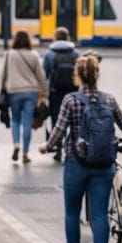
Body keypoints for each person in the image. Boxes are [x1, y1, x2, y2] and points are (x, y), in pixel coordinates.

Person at [39, 55, 122, 243]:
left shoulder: (70, 100)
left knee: (72, 212)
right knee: (100, 215)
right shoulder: (109, 100)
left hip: (77, 164)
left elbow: (59, 131)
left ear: (77, 75)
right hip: (103, 164)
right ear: (98, 75)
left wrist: (46, 147)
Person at [1, 30, 47, 164]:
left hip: (13, 91)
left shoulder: (9, 54)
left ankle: (16, 145)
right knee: (27, 122)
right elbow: (41, 75)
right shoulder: (33, 55)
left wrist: (2, 89)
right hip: (31, 91)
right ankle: (25, 154)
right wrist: (44, 91)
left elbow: (3, 74)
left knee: (15, 120)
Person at [42, 26, 80, 162]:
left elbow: (44, 74)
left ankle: (58, 149)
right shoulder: (75, 53)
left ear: (55, 38)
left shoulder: (49, 54)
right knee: (73, 121)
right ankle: (72, 150)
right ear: (68, 37)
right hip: (73, 92)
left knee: (56, 121)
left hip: (55, 92)